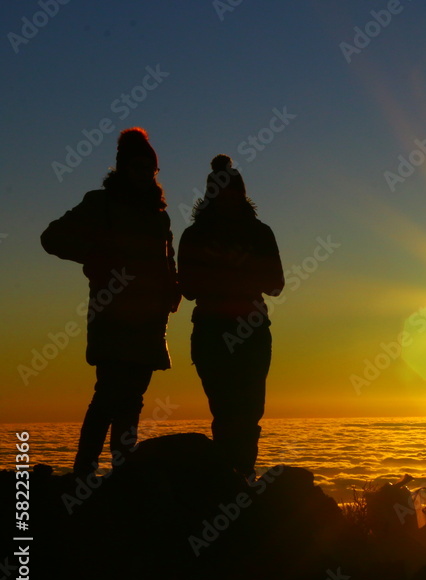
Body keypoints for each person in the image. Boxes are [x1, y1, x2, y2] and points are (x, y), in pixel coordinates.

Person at [41, 127, 180, 476]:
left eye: (151, 169)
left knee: (132, 401)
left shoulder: (159, 216)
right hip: (113, 317)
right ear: (122, 167)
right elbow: (52, 237)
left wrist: (172, 289)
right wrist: (94, 256)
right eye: (138, 167)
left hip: (150, 321)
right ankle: (83, 474)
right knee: (107, 397)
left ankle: (122, 474)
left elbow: (168, 261)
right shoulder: (100, 203)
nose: (145, 174)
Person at [178, 155, 284, 480]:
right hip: (218, 332)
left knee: (245, 412)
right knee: (229, 412)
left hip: (243, 332)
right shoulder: (197, 235)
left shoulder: (252, 233)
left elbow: (276, 284)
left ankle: (239, 480)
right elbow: (189, 289)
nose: (226, 197)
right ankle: (233, 482)